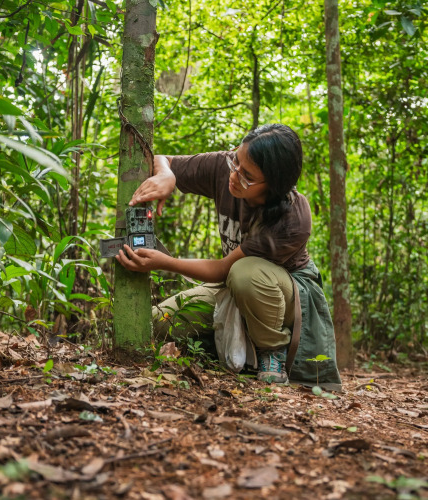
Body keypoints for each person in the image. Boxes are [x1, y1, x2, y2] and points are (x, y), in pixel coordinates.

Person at [116, 124, 341, 386]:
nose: (234, 175)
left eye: (247, 176)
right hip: (232, 286)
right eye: (236, 161)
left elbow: (224, 269)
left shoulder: (293, 217)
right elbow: (162, 160)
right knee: (159, 323)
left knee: (245, 273)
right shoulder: (226, 168)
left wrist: (164, 263)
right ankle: (231, 351)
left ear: (274, 185)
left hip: (283, 294)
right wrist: (167, 176)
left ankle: (271, 349)